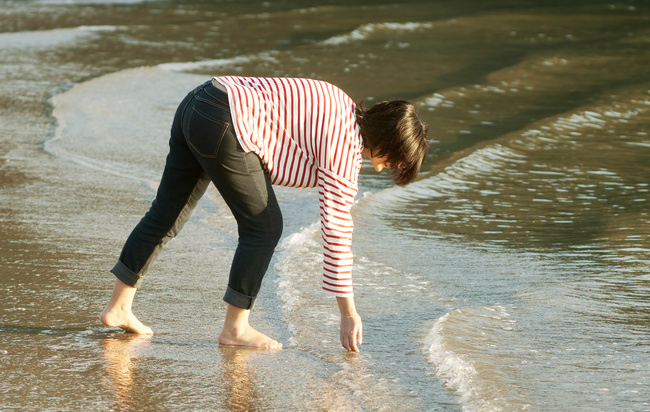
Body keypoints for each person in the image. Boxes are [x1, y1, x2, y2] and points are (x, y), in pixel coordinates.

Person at [100, 76, 429, 351]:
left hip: (200, 101)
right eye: (399, 159)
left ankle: (118, 307)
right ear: (390, 140)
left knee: (166, 215)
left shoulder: (341, 102)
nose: (394, 167)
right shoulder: (344, 146)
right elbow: (337, 230)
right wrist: (348, 312)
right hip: (225, 121)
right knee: (265, 227)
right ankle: (235, 328)